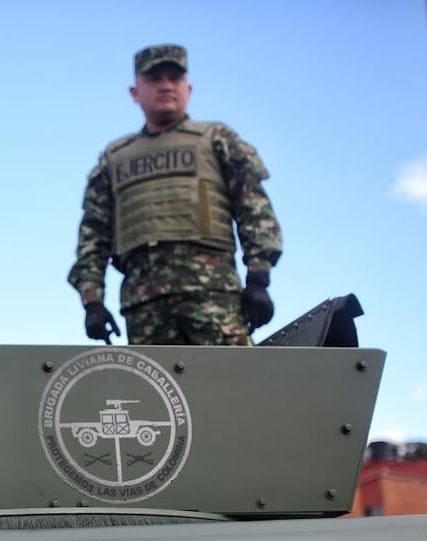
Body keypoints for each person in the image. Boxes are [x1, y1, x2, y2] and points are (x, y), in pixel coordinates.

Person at [68, 44, 283, 346]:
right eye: (155, 78)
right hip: (143, 306)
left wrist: (258, 278)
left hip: (213, 295)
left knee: (233, 376)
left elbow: (255, 210)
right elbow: (93, 234)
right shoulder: (114, 158)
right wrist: (92, 301)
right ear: (135, 92)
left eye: (174, 77)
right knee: (152, 379)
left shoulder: (217, 139)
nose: (166, 85)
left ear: (188, 88)